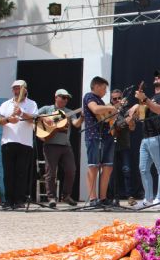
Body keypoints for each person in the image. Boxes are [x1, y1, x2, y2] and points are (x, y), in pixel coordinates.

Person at [132, 70, 160, 208]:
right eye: (156, 76)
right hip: (145, 138)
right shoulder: (152, 97)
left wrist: (145, 99)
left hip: (158, 136)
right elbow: (144, 115)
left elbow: (159, 110)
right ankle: (148, 199)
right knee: (143, 169)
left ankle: (159, 199)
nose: (157, 78)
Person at [36, 89, 83, 207]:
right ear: (56, 97)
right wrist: (44, 120)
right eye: (63, 97)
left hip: (66, 145)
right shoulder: (47, 109)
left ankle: (66, 196)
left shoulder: (69, 112)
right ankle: (51, 197)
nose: (65, 100)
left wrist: (82, 117)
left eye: (67, 98)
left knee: (71, 170)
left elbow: (76, 124)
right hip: (50, 144)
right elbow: (34, 117)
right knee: (51, 172)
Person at [0, 80, 38, 209]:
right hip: (8, 141)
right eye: (14, 88)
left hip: (25, 142)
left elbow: (35, 119)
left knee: (22, 172)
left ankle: (19, 200)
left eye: (19, 88)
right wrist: (9, 119)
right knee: (8, 172)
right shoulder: (6, 104)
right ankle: (9, 200)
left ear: (25, 89)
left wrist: (21, 113)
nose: (17, 91)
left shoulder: (32, 104)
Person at [82, 76, 117, 207]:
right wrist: (112, 108)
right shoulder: (89, 97)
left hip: (106, 136)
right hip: (94, 136)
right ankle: (92, 199)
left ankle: (103, 198)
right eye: (103, 88)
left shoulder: (102, 101)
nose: (105, 91)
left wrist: (114, 110)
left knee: (107, 167)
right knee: (93, 166)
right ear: (96, 86)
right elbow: (95, 109)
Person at [108, 89, 137, 205]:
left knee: (127, 170)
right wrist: (126, 121)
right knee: (111, 172)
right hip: (111, 145)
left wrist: (130, 121)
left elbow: (132, 127)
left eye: (119, 98)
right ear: (111, 100)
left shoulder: (126, 110)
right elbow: (116, 125)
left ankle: (130, 196)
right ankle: (112, 197)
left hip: (124, 144)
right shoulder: (109, 110)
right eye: (114, 99)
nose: (117, 100)